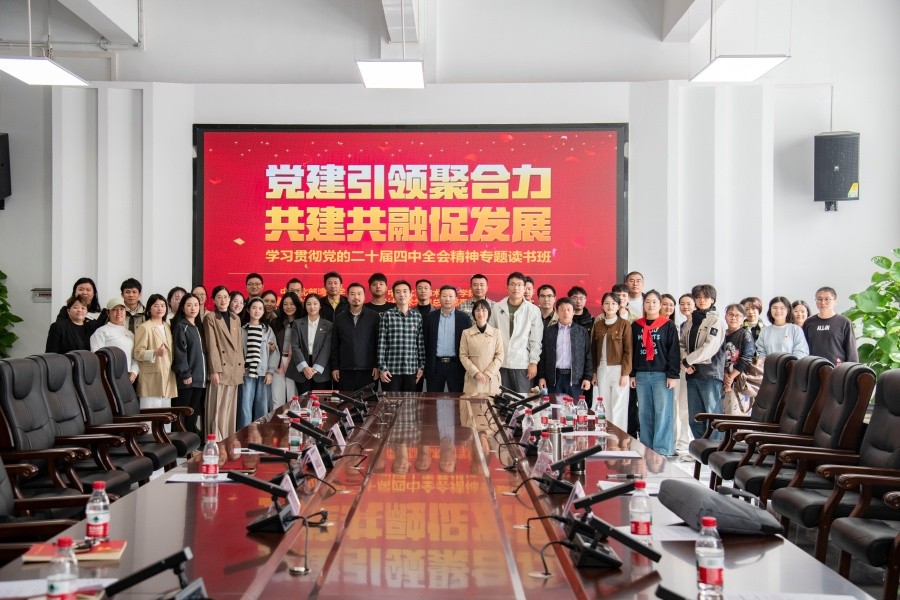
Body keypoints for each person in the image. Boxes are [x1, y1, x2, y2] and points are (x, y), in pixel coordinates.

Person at [630, 290, 680, 456]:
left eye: (654, 302)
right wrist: (632, 374)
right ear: (643, 304)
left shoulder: (668, 325)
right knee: (644, 412)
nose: (651, 305)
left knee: (663, 412)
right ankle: (647, 447)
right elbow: (632, 350)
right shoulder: (636, 326)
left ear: (660, 305)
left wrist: (673, 375)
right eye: (647, 302)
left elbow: (673, 351)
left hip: (662, 375)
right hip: (642, 374)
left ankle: (662, 449)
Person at [680, 284, 726, 441]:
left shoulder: (715, 321)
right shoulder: (690, 320)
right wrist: (685, 363)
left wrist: (687, 361)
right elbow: (682, 343)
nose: (701, 300)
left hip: (710, 374)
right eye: (698, 297)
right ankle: (701, 448)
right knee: (695, 416)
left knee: (713, 415)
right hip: (692, 374)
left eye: (705, 297)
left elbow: (709, 347)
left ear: (712, 300)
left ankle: (716, 448)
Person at [489, 272, 544, 393]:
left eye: (519, 285)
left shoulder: (533, 310)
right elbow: (490, 336)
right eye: (513, 284)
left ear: (524, 288)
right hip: (500, 363)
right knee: (501, 400)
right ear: (507, 287)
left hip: (522, 364)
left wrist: (533, 362)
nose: (516, 288)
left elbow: (536, 339)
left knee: (522, 401)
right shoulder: (497, 308)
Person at [203, 286, 244, 440]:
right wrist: (214, 370)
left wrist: (241, 367)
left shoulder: (235, 318)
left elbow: (238, 345)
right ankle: (215, 440)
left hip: (234, 368)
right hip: (220, 368)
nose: (223, 300)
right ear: (213, 300)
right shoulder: (210, 317)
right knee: (217, 407)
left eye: (226, 297)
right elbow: (211, 346)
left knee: (229, 407)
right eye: (219, 297)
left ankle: (228, 438)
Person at [537, 298, 592, 400]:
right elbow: (542, 355)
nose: (565, 312)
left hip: (575, 379)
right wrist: (541, 376)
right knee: (553, 407)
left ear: (573, 312)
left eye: (568, 309)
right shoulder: (549, 331)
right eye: (562, 309)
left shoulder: (581, 332)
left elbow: (588, 355)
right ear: (557, 311)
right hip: (553, 378)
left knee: (573, 407)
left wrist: (587, 377)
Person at [590, 292, 632, 427]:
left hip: (619, 369)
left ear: (619, 306)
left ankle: (619, 437)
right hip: (601, 369)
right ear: (602, 306)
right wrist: (594, 373)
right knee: (604, 405)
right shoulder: (598, 325)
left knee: (618, 405)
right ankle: (607, 434)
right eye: (607, 303)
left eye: (613, 303)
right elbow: (593, 350)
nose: (610, 306)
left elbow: (628, 350)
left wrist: (625, 373)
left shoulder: (624, 324)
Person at [331, 283, 380, 392]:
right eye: (352, 294)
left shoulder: (374, 316)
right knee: (346, 401)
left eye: (359, 294)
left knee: (368, 401)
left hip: (368, 370)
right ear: (347, 297)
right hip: (345, 370)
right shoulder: (340, 318)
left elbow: (378, 343)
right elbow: (335, 345)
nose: (356, 297)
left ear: (364, 296)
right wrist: (335, 367)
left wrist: (376, 365)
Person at [133, 293, 178, 412]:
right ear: (149, 309)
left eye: (163, 305)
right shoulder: (144, 327)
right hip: (151, 379)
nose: (160, 308)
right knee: (150, 415)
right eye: (156, 306)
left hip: (167, 377)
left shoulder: (167, 326)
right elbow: (137, 353)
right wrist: (154, 352)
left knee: (166, 416)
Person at [377, 280, 425, 392]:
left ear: (410, 294)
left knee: (410, 402)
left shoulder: (417, 317)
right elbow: (381, 344)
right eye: (398, 292)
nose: (402, 294)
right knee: (391, 402)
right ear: (393, 295)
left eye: (405, 291)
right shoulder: (387, 316)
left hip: (412, 370)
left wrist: (422, 367)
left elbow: (420, 345)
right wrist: (382, 369)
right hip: (391, 371)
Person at [424, 285, 472, 392]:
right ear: (439, 298)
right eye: (444, 296)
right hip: (435, 365)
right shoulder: (430, 318)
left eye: (451, 296)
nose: (447, 299)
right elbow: (425, 343)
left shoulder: (464, 318)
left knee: (457, 398)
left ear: (456, 299)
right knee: (433, 398)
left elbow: (469, 344)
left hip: (456, 365)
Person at [239, 297, 278, 429]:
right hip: (246, 373)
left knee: (262, 406)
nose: (257, 311)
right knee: (245, 406)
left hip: (263, 373)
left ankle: (261, 434)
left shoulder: (267, 330)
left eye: (260, 308)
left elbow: (274, 352)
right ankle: (245, 434)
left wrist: (270, 372)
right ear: (248, 310)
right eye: (254, 308)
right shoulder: (242, 330)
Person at [171, 293, 206, 436]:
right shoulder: (181, 326)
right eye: (189, 305)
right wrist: (185, 373)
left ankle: (190, 443)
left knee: (193, 413)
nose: (193, 308)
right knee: (181, 413)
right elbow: (179, 351)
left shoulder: (198, 327)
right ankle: (178, 441)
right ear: (183, 307)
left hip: (199, 379)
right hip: (187, 378)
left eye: (196, 305)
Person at [289, 294, 333, 394]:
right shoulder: (297, 323)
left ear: (320, 305)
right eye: (308, 304)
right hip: (302, 365)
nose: (312, 307)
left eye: (315, 304)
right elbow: (295, 346)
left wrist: (315, 369)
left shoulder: (328, 325)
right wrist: (305, 367)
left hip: (321, 368)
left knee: (320, 400)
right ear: (305, 306)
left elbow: (326, 348)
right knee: (304, 400)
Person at [459, 299, 505, 396]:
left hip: (491, 379)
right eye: (477, 310)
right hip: (473, 380)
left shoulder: (496, 333)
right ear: (473, 313)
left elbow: (500, 355)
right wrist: (476, 373)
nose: (481, 313)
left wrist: (489, 373)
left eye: (484, 310)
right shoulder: (466, 333)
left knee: (492, 404)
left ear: (489, 313)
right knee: (471, 404)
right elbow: (463, 356)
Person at [803, 286, 859, 364]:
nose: (823, 302)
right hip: (814, 367)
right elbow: (804, 348)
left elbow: (851, 350)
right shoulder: (809, 322)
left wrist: (852, 369)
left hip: (837, 368)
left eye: (827, 299)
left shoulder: (844, 322)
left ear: (835, 301)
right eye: (819, 299)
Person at [90, 297, 139, 382]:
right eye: (114, 309)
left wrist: (133, 373)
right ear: (108, 313)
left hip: (126, 378)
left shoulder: (130, 334)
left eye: (121, 309)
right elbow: (97, 357)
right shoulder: (101, 332)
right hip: (108, 378)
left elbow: (135, 357)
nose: (119, 312)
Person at [721, 303, 757, 415]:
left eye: (737, 315)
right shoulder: (721, 335)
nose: (734, 318)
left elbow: (746, 358)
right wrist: (725, 376)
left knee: (736, 415)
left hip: (739, 382)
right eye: (730, 314)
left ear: (743, 318)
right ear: (725, 316)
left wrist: (731, 378)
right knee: (721, 415)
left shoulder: (745, 334)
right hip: (721, 379)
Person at [674, 293, 696, 455]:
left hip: (696, 370)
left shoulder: (700, 324)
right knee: (681, 406)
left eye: (688, 303)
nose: (685, 307)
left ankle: (690, 441)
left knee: (690, 407)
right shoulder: (682, 325)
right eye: (682, 304)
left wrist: (689, 362)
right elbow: (681, 347)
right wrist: (685, 362)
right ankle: (683, 440)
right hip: (683, 369)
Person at [271, 291, 301, 409]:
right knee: (276, 398)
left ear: (297, 305)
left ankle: (293, 420)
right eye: (285, 304)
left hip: (294, 362)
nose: (288, 307)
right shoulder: (276, 322)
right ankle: (276, 420)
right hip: (278, 361)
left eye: (292, 304)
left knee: (292, 397)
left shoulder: (301, 322)